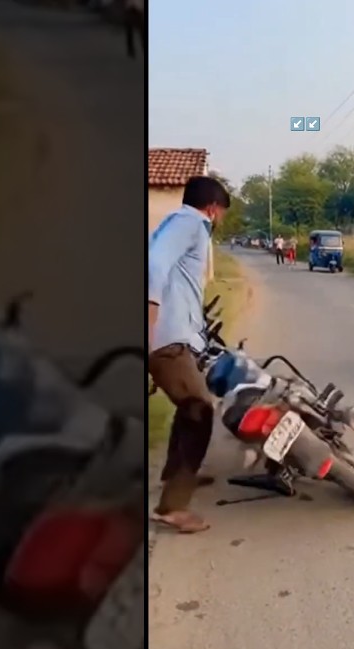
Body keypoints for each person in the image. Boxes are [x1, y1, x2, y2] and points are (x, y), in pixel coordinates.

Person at [147, 175, 232, 533]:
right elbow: (153, 263)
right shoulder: (191, 224)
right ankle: (173, 507)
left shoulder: (174, 222)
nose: (221, 220)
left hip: (177, 337)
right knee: (200, 409)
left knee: (189, 405)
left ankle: (174, 476)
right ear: (213, 209)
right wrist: (150, 310)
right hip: (166, 340)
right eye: (222, 213)